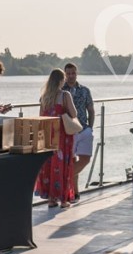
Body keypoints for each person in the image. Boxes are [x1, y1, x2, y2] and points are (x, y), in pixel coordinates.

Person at [35, 69, 78, 208]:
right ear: (61, 80)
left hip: (48, 134)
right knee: (63, 165)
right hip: (62, 135)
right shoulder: (65, 95)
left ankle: (51, 199)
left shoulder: (44, 97)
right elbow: (74, 113)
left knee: (49, 164)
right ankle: (63, 199)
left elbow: (40, 116)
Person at [63, 63, 96, 194]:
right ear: (65, 74)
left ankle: (63, 179)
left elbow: (91, 110)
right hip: (67, 130)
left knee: (85, 159)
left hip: (84, 129)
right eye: (68, 73)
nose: (71, 76)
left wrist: (90, 128)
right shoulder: (61, 90)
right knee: (71, 161)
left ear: (77, 73)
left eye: (73, 73)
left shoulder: (85, 90)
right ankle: (74, 192)